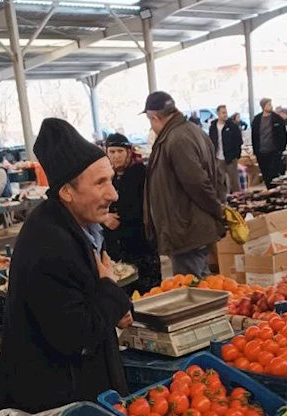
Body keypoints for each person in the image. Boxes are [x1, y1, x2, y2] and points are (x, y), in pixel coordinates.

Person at [0, 118, 131, 415]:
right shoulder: (49, 245)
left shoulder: (79, 225)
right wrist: (110, 292)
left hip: (77, 394)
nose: (113, 194)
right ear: (67, 191)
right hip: (54, 407)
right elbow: (77, 336)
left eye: (110, 179)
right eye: (100, 183)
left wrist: (113, 304)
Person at [142, 91, 224, 279]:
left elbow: (197, 183)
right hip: (192, 228)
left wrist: (216, 210)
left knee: (194, 292)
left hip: (187, 230)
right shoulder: (194, 131)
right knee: (204, 286)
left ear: (154, 117)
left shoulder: (176, 139)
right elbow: (217, 177)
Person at [101, 132, 161, 295]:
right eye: (112, 152)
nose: (116, 156)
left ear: (128, 152)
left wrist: (123, 218)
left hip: (141, 242)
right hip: (115, 246)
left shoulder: (142, 174)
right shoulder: (104, 176)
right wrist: (105, 218)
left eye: (120, 151)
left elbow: (146, 204)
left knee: (148, 292)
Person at [251, 97, 287, 188]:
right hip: (261, 152)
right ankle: (269, 192)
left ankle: (275, 193)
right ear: (263, 106)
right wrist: (255, 151)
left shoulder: (277, 119)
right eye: (268, 104)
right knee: (266, 174)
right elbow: (254, 136)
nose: (271, 106)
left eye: (271, 104)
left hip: (274, 151)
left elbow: (283, 135)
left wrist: (281, 149)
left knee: (274, 174)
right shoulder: (257, 119)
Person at [209, 105, 243, 198]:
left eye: (226, 112)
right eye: (223, 113)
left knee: (234, 181)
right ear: (218, 114)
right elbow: (211, 141)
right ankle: (224, 200)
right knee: (220, 181)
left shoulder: (232, 126)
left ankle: (238, 199)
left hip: (231, 157)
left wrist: (236, 155)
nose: (225, 114)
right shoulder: (213, 127)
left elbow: (238, 141)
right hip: (218, 157)